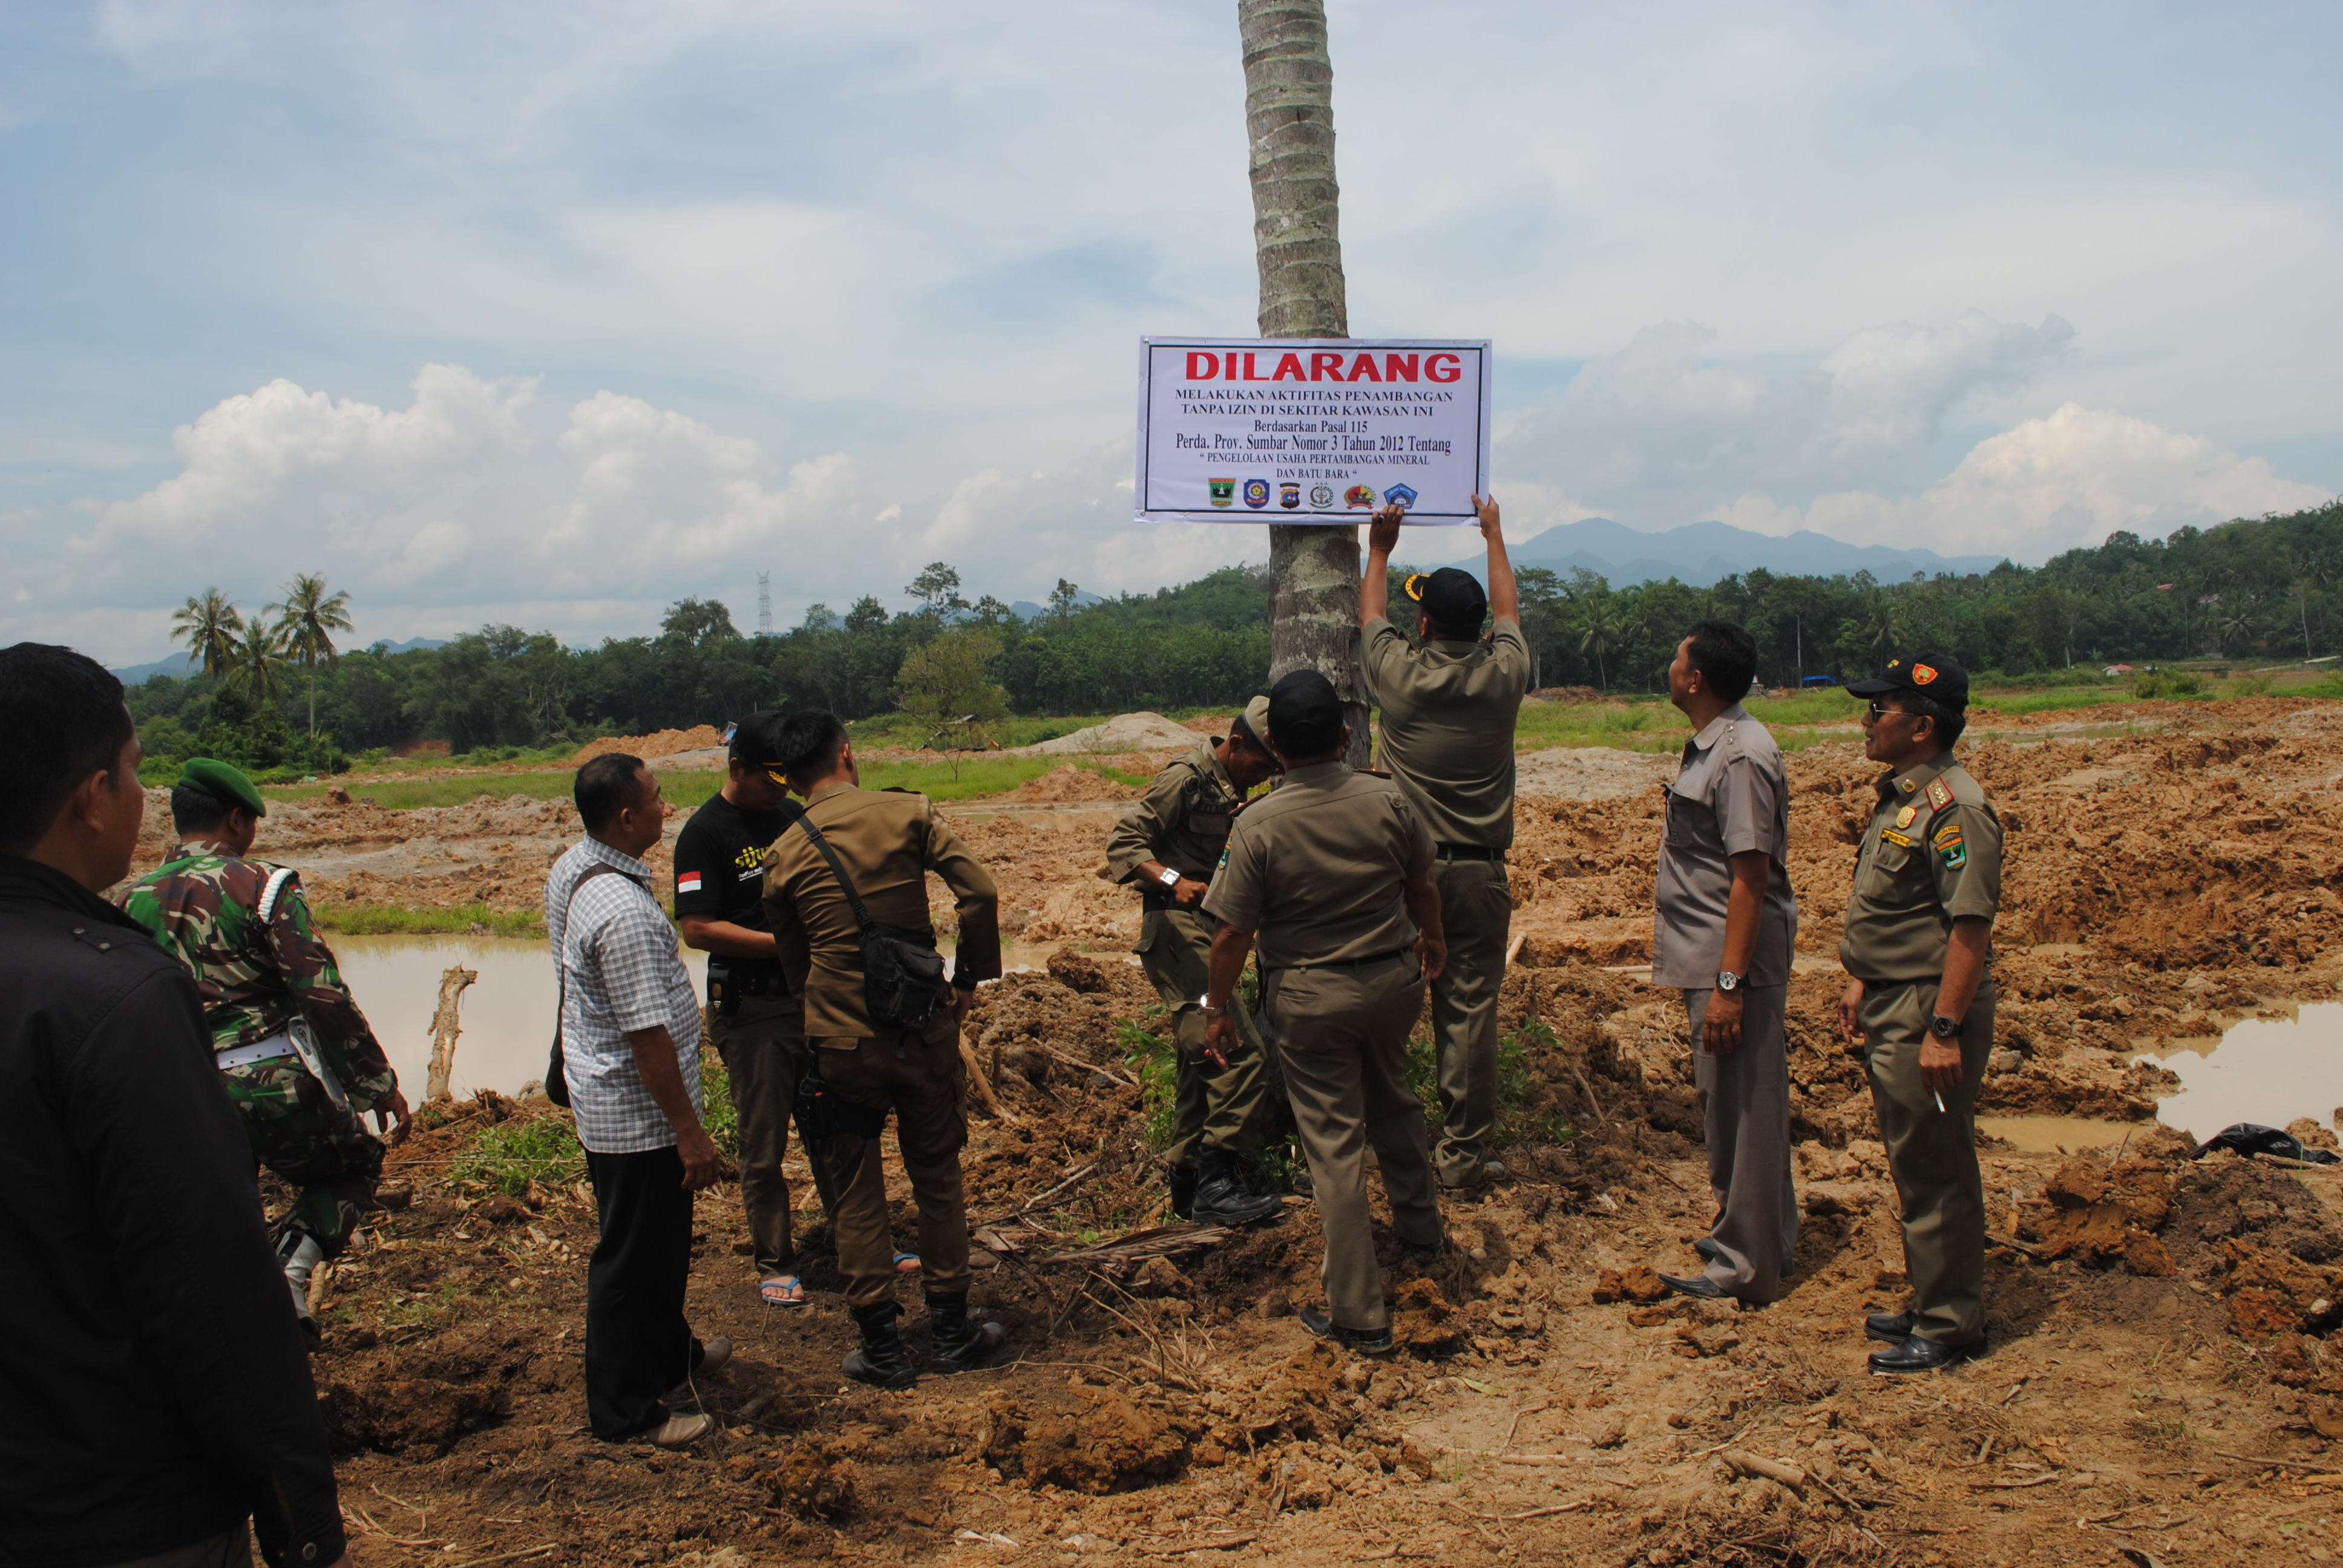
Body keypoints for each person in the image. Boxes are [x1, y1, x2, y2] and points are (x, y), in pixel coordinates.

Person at [0, 643, 349, 1568]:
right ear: (92, 796)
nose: (139, 794)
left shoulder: (136, 915)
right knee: (342, 1165)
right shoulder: (113, 992)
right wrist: (298, 1509)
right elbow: (200, 1281)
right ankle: (306, 1255)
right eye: (133, 771)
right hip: (116, 1501)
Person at [119, 756, 411, 1344]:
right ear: (235, 821)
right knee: (354, 1166)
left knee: (221, 1209)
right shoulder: (264, 885)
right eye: (251, 823)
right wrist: (374, 1083)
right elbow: (320, 991)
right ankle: (290, 1269)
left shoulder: (129, 902)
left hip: (181, 1091)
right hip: (270, 1082)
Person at [1202, 670, 1448, 1352]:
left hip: (1312, 999)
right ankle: (1424, 1235)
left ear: (1274, 745)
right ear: (1345, 735)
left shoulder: (1256, 824)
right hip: (1392, 984)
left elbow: (1229, 933)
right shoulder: (1388, 799)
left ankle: (1357, 1313)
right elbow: (1420, 884)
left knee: (1335, 1148)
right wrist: (1431, 940)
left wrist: (1214, 1007)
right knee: (1394, 1101)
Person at [761, 711, 1008, 1390]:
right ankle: (953, 1335)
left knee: (856, 1192)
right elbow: (979, 891)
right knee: (937, 1180)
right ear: (846, 753)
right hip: (920, 1032)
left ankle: (883, 1348)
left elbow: (794, 965)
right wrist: (965, 980)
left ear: (787, 776)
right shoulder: (908, 814)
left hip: (839, 1044)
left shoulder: (783, 853)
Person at [547, 753, 731, 1447]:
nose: (667, 806)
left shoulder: (577, 867)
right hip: (637, 1114)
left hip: (611, 1098)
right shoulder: (621, 911)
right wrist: (689, 1132)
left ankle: (668, 1354)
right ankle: (623, 1410)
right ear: (626, 817)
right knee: (632, 1260)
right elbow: (646, 1036)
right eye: (657, 798)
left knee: (659, 1246)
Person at [1837, 653, 2004, 1373]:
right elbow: (1896, 909)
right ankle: (1931, 1295)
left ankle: (1950, 1324)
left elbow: (1969, 928)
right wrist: (1859, 980)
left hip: (1926, 1007)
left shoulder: (1955, 806)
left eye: (1879, 711)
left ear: (1922, 725)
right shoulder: (1906, 796)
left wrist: (1942, 1030)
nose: (1865, 721)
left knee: (1936, 1165)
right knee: (1913, 1158)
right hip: (1893, 997)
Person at [1360, 492, 1530, 1191]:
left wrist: (1377, 550)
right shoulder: (1504, 676)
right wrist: (1493, 534)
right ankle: (1462, 1154)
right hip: (1481, 875)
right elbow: (1510, 614)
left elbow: (1371, 616)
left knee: (1386, 1005)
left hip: (1405, 880)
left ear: (1422, 623)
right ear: (1478, 631)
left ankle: (1389, 1145)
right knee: (1468, 1013)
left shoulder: (1400, 677)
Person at [1648, 622, 1801, 1304]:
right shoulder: (1720, 744)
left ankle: (1744, 1266)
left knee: (1742, 1108)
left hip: (1730, 965)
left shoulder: (1738, 756)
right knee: (1738, 1103)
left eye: (1676, 656)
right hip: (1716, 961)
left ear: (1695, 679)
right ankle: (1765, 1238)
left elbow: (1749, 877)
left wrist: (1729, 986)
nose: (1670, 665)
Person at [1101, 694, 1284, 1225]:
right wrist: (1175, 881)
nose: (1264, 776)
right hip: (1176, 931)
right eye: (1261, 765)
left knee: (1197, 1064)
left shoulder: (1235, 789)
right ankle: (1217, 1183)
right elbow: (1124, 841)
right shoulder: (1186, 778)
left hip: (1209, 932)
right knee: (1237, 1050)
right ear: (1237, 743)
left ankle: (1186, 1186)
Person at [674, 713, 817, 1307]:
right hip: (752, 1007)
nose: (780, 790)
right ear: (737, 768)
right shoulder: (705, 834)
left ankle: (856, 1238)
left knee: (834, 1128)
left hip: (810, 999)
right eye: (769, 779)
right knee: (764, 1145)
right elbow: (698, 927)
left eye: (787, 779)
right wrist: (783, 945)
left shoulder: (790, 815)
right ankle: (774, 1259)